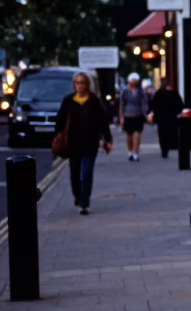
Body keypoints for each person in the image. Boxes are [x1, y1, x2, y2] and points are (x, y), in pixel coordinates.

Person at [55, 72, 113, 215]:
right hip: (73, 144)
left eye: (83, 83)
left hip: (90, 143)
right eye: (78, 83)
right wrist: (58, 135)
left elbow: (102, 121)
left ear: (87, 84)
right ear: (74, 85)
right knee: (75, 174)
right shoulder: (68, 100)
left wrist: (108, 138)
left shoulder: (93, 100)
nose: (80, 85)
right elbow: (60, 121)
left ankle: (84, 202)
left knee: (86, 173)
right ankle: (77, 195)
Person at [119, 73, 150, 161]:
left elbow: (144, 102)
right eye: (132, 81)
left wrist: (146, 113)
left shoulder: (141, 91)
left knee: (137, 135)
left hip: (138, 115)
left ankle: (135, 152)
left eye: (135, 81)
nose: (133, 83)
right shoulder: (125, 92)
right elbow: (121, 105)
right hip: (128, 115)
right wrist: (121, 117)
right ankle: (130, 151)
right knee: (129, 136)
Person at [150, 80, 185, 158]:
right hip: (171, 118)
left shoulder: (158, 94)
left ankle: (164, 150)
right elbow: (180, 105)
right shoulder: (172, 93)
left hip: (162, 118)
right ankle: (169, 148)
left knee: (163, 135)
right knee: (170, 133)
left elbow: (153, 105)